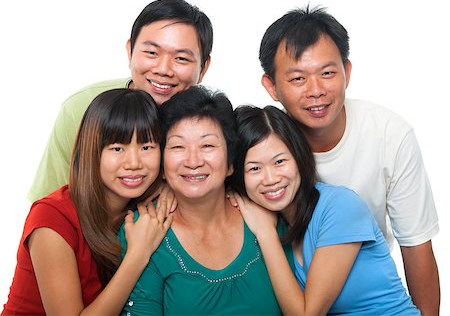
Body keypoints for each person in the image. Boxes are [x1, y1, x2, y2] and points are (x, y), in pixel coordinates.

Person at [258, 5, 440, 314]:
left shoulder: (390, 134)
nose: (316, 91)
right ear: (271, 86)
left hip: (364, 289)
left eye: (328, 73)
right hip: (294, 284)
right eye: (298, 78)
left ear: (347, 72)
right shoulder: (264, 147)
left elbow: (416, 244)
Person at [229, 104, 420, 315]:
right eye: (254, 168)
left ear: (299, 158)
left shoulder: (340, 206)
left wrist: (266, 234)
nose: (271, 179)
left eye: (280, 161)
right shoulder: (275, 220)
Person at [119, 86, 292, 315]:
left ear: (231, 162)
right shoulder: (144, 228)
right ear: (161, 165)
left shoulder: (263, 213)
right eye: (178, 146)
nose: (193, 161)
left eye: (208, 145)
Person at [2, 89, 173, 315]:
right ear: (92, 151)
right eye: (117, 148)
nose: (134, 162)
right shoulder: (51, 218)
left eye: (146, 147)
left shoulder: (144, 206)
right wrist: (137, 255)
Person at [28, 0, 213, 202]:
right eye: (151, 52)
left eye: (181, 58)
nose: (163, 69)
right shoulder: (82, 107)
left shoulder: (211, 122)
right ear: (130, 51)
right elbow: (49, 207)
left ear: (203, 68)